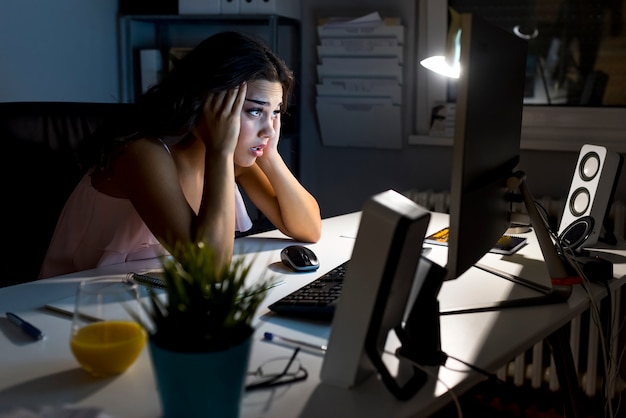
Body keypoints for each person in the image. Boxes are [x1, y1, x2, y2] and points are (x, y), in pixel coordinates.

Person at [39, 31, 321, 279]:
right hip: (69, 305)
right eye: (255, 111)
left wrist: (270, 154)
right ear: (208, 102)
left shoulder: (237, 157)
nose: (268, 129)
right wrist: (220, 151)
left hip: (148, 295)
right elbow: (209, 267)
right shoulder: (142, 154)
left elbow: (309, 229)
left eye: (275, 112)